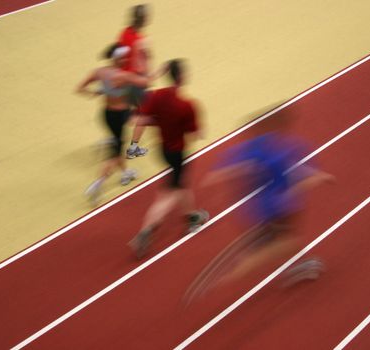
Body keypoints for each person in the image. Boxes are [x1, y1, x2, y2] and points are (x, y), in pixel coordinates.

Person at [183, 112, 335, 304]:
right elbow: (295, 173)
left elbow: (233, 169)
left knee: (281, 237)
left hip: (257, 206)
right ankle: (246, 266)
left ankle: (285, 257)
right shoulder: (280, 149)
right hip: (278, 205)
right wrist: (316, 178)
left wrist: (221, 177)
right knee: (289, 241)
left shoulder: (252, 147)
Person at [128, 59, 208, 258]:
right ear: (182, 77)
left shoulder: (157, 96)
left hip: (162, 150)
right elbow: (197, 134)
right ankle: (145, 232)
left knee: (181, 185)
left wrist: (160, 122)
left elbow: (141, 119)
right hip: (177, 152)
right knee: (168, 195)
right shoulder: (186, 105)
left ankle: (192, 216)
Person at [76, 44, 151, 205]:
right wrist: (145, 59)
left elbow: (80, 88)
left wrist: (95, 93)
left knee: (118, 144)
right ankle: (97, 184)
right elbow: (146, 80)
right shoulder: (124, 76)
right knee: (114, 153)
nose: (125, 60)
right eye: (123, 57)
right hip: (120, 116)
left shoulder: (100, 72)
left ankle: (126, 172)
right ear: (117, 59)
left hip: (107, 115)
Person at [117, 4, 166, 159]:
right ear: (145, 20)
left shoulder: (124, 33)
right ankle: (133, 149)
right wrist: (156, 72)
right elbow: (142, 68)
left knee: (132, 111)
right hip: (135, 83)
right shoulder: (143, 42)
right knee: (146, 115)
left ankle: (115, 137)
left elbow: (119, 56)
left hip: (122, 80)